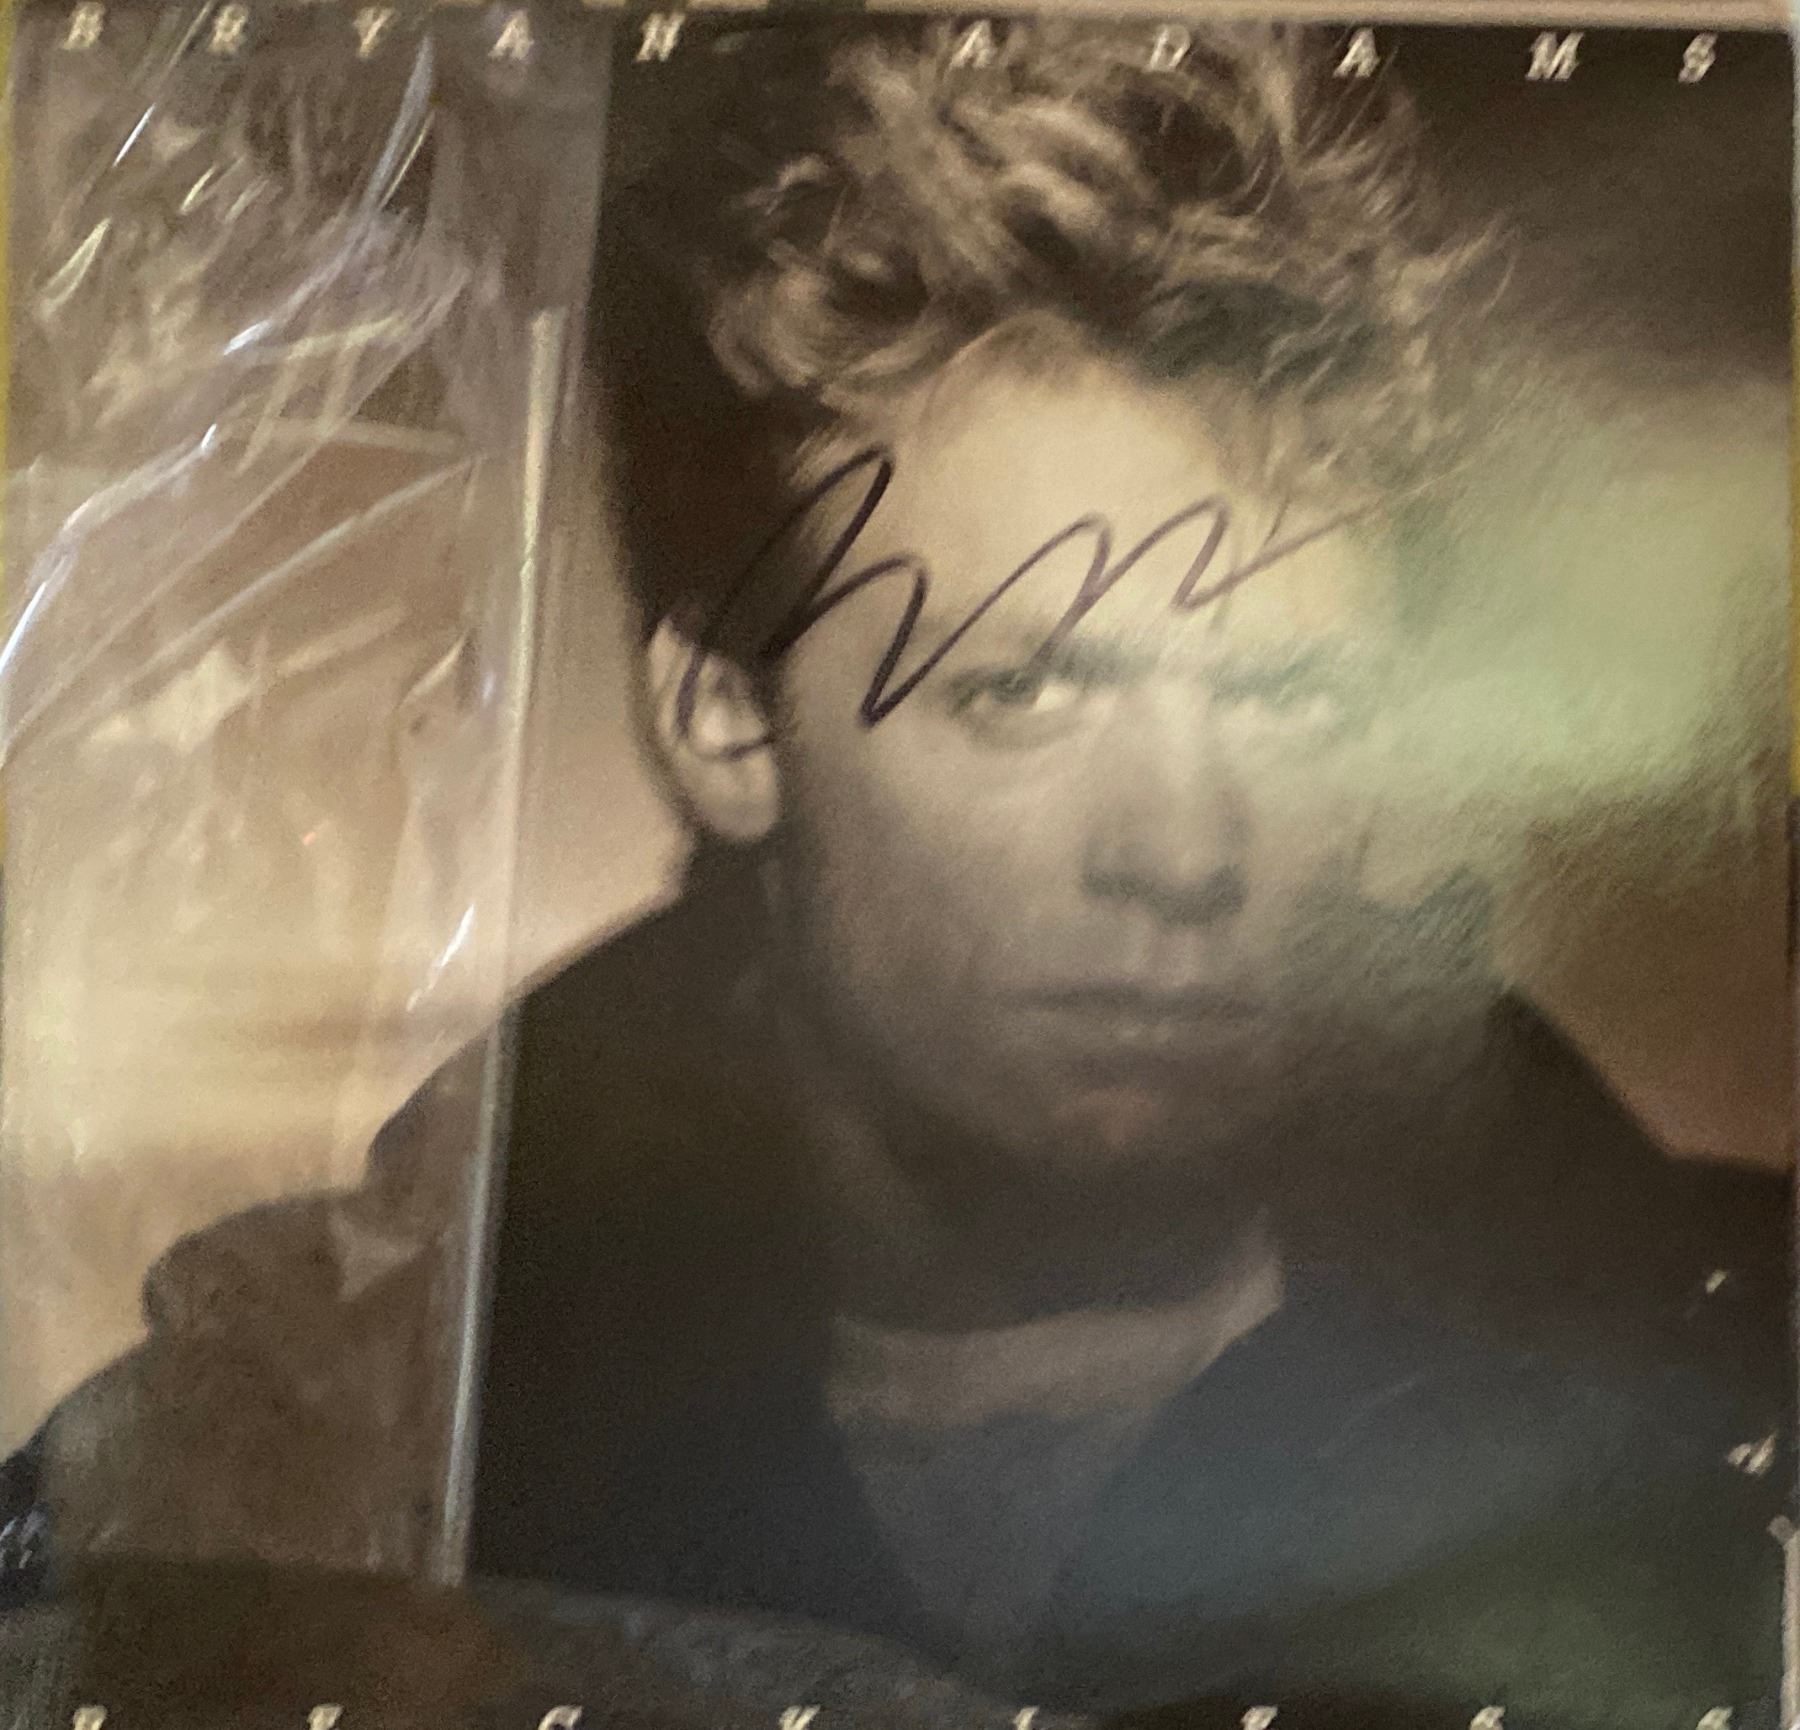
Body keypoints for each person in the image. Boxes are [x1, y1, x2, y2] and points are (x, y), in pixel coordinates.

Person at [10, 20, 1793, 1727]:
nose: (1183, 850)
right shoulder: (295, 1425)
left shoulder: (1723, 1398)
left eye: (1284, 700)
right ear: (725, 718)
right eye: (1023, 693)